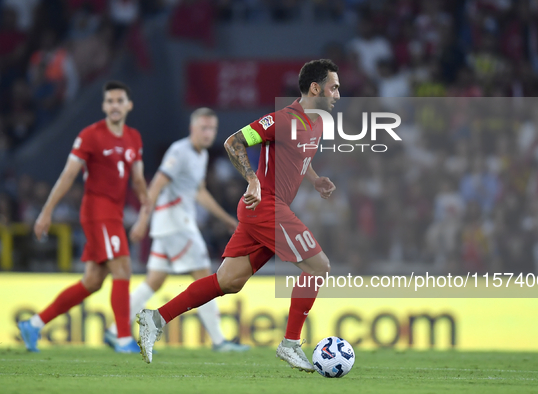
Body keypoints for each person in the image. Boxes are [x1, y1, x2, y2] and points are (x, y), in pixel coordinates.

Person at [136, 59, 339, 371]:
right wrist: (253, 180)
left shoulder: (318, 123)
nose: (338, 94)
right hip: (265, 207)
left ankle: (156, 318)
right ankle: (290, 343)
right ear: (315, 88)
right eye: (334, 87)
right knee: (318, 266)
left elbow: (301, 155)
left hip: (267, 210)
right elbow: (234, 142)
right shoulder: (282, 120)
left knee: (228, 281)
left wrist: (315, 180)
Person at [104, 107, 250, 352]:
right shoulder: (179, 151)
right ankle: (218, 341)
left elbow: (199, 192)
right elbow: (156, 185)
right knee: (205, 278)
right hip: (176, 224)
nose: (208, 133)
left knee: (154, 281)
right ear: (192, 128)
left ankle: (113, 330)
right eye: (203, 127)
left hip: (170, 226)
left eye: (212, 128)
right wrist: (142, 220)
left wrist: (225, 218)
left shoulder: (201, 155)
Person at [18, 81, 148, 353]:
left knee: (92, 282)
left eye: (119, 100)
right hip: (97, 211)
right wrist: (47, 210)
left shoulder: (134, 137)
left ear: (129, 105)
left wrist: (146, 210)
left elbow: (137, 179)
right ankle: (122, 337)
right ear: (104, 105)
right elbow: (69, 174)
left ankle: (34, 324)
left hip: (114, 213)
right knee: (122, 268)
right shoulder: (91, 135)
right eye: (109, 101)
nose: (114, 105)